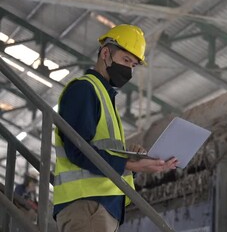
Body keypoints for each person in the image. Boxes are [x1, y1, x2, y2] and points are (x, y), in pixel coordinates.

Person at [53, 24, 178, 232]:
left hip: (101, 207)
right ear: (105, 53)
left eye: (134, 65)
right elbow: (77, 151)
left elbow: (103, 152)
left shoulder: (105, 97)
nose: (129, 69)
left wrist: (133, 159)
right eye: (126, 60)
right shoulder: (84, 90)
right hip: (88, 205)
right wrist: (130, 164)